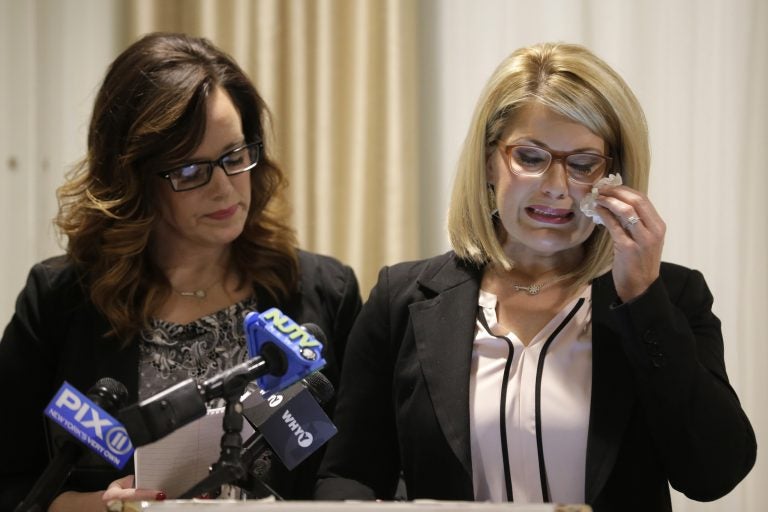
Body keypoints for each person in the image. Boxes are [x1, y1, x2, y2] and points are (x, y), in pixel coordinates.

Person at [315, 42, 756, 511]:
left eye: (584, 164)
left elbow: (714, 474)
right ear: (489, 161)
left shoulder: (670, 297)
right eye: (530, 157)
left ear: (615, 177)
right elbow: (349, 473)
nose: (556, 187)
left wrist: (643, 300)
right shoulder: (400, 300)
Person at [0, 32, 362, 511]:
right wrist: (89, 506)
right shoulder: (61, 300)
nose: (225, 189)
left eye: (234, 157)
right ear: (134, 178)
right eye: (190, 171)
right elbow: (9, 480)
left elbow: (360, 468)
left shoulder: (323, 293)